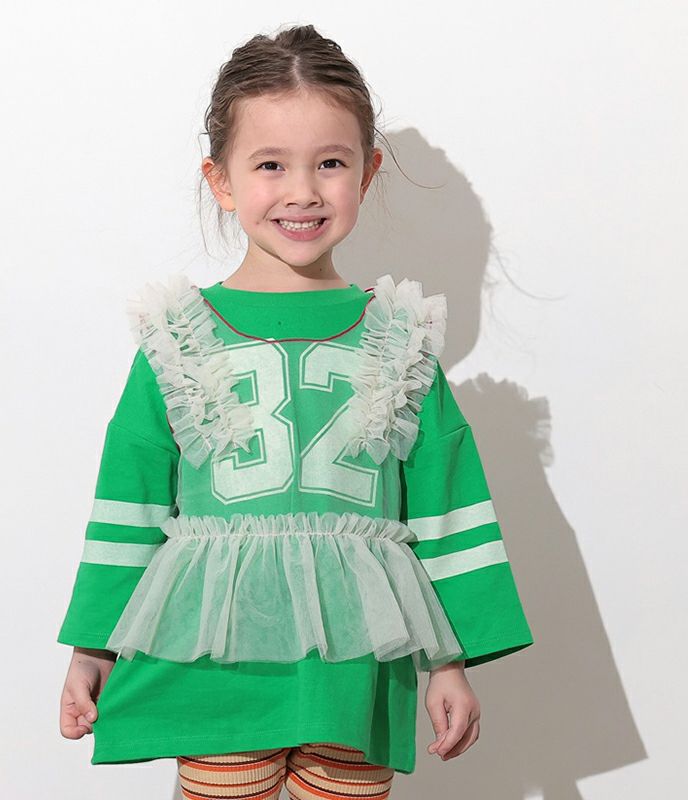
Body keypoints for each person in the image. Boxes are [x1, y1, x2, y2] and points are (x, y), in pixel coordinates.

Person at [57, 23, 534, 799]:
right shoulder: (177, 338)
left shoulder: (401, 339)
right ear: (220, 179)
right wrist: (93, 646)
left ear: (367, 172)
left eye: (331, 163)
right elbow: (129, 499)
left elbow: (447, 504)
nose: (303, 191)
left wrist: (450, 661)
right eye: (271, 164)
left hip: (355, 658)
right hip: (212, 657)